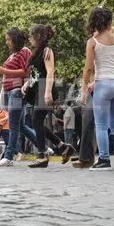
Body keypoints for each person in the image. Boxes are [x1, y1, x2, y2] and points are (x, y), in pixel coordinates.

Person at [80, 6, 114, 171]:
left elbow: (88, 68)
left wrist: (84, 89)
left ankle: (104, 159)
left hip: (103, 84)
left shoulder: (93, 42)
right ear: (110, 21)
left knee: (101, 125)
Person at [23, 25, 76, 168]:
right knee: (36, 122)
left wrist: (47, 92)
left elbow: (50, 72)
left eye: (31, 35)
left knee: (36, 121)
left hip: (43, 88)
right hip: (36, 89)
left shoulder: (47, 50)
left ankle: (42, 155)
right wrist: (27, 83)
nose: (29, 38)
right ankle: (63, 146)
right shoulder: (37, 52)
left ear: (38, 36)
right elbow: (36, 73)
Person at [0, 27, 38, 166]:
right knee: (21, 126)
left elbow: (25, 72)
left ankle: (8, 157)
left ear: (15, 39)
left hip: (17, 91)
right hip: (10, 92)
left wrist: (4, 71)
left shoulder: (24, 51)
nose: (7, 42)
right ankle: (44, 147)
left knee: (13, 126)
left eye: (9, 39)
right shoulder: (13, 54)